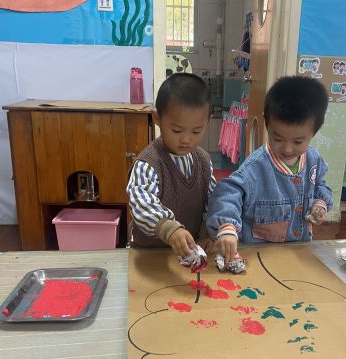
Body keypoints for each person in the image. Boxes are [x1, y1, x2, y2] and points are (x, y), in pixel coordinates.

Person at [207, 76, 333, 261]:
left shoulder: (314, 160)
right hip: (259, 258)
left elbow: (320, 185)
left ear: (313, 132)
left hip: (298, 254)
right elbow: (227, 193)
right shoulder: (255, 168)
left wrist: (320, 204)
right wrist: (227, 227)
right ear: (267, 125)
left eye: (298, 141)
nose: (287, 149)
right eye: (278, 139)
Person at [126, 73, 216, 257]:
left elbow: (213, 202)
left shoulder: (204, 162)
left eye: (196, 131)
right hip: (149, 254)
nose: (186, 139)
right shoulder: (148, 163)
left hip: (187, 254)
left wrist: (208, 233)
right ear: (157, 118)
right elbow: (141, 203)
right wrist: (169, 228)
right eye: (176, 130)